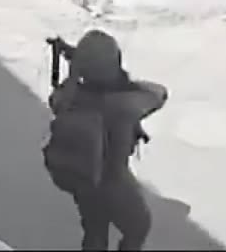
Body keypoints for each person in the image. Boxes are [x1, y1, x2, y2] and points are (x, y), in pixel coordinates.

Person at [47, 30, 168, 251]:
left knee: (95, 230)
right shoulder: (124, 103)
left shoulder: (67, 96)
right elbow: (158, 94)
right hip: (114, 181)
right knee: (138, 226)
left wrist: (77, 66)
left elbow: (57, 97)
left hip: (82, 178)